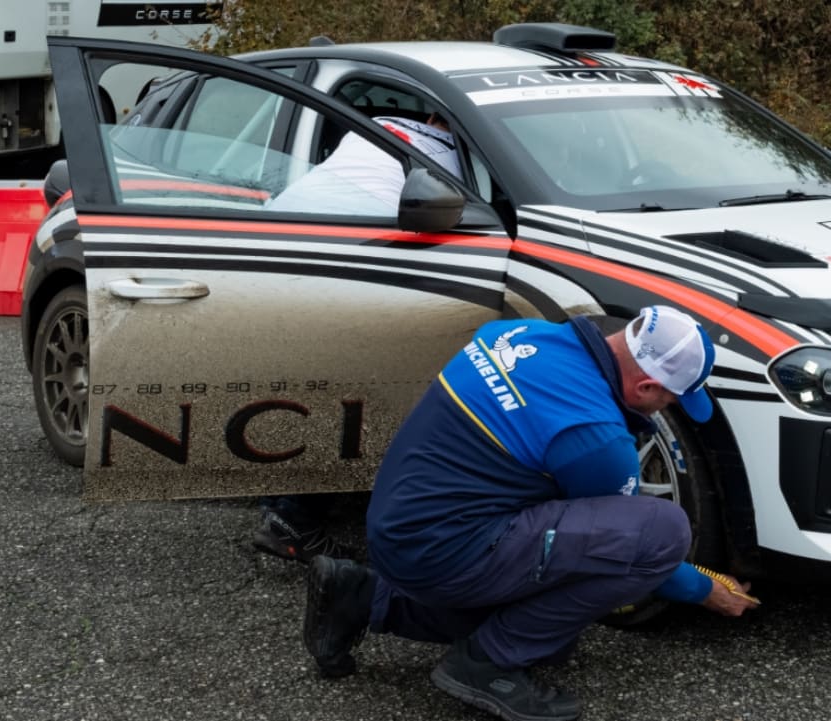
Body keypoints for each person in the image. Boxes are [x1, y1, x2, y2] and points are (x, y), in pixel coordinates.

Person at [301, 306, 757, 721]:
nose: (669, 407)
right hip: (441, 551)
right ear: (647, 386)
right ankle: (486, 664)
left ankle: (359, 595)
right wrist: (702, 590)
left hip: (398, 525)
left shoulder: (519, 332)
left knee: (552, 635)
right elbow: (632, 547)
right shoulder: (597, 439)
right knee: (661, 530)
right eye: (672, 399)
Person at [252, 113, 464, 565]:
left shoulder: (380, 122)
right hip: (341, 255)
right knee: (349, 392)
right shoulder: (459, 155)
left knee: (306, 385)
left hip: (272, 241)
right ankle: (293, 522)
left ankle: (277, 504)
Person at [265, 113, 461, 215]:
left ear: (430, 118)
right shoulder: (466, 159)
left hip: (283, 212)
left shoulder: (379, 122)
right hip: (359, 227)